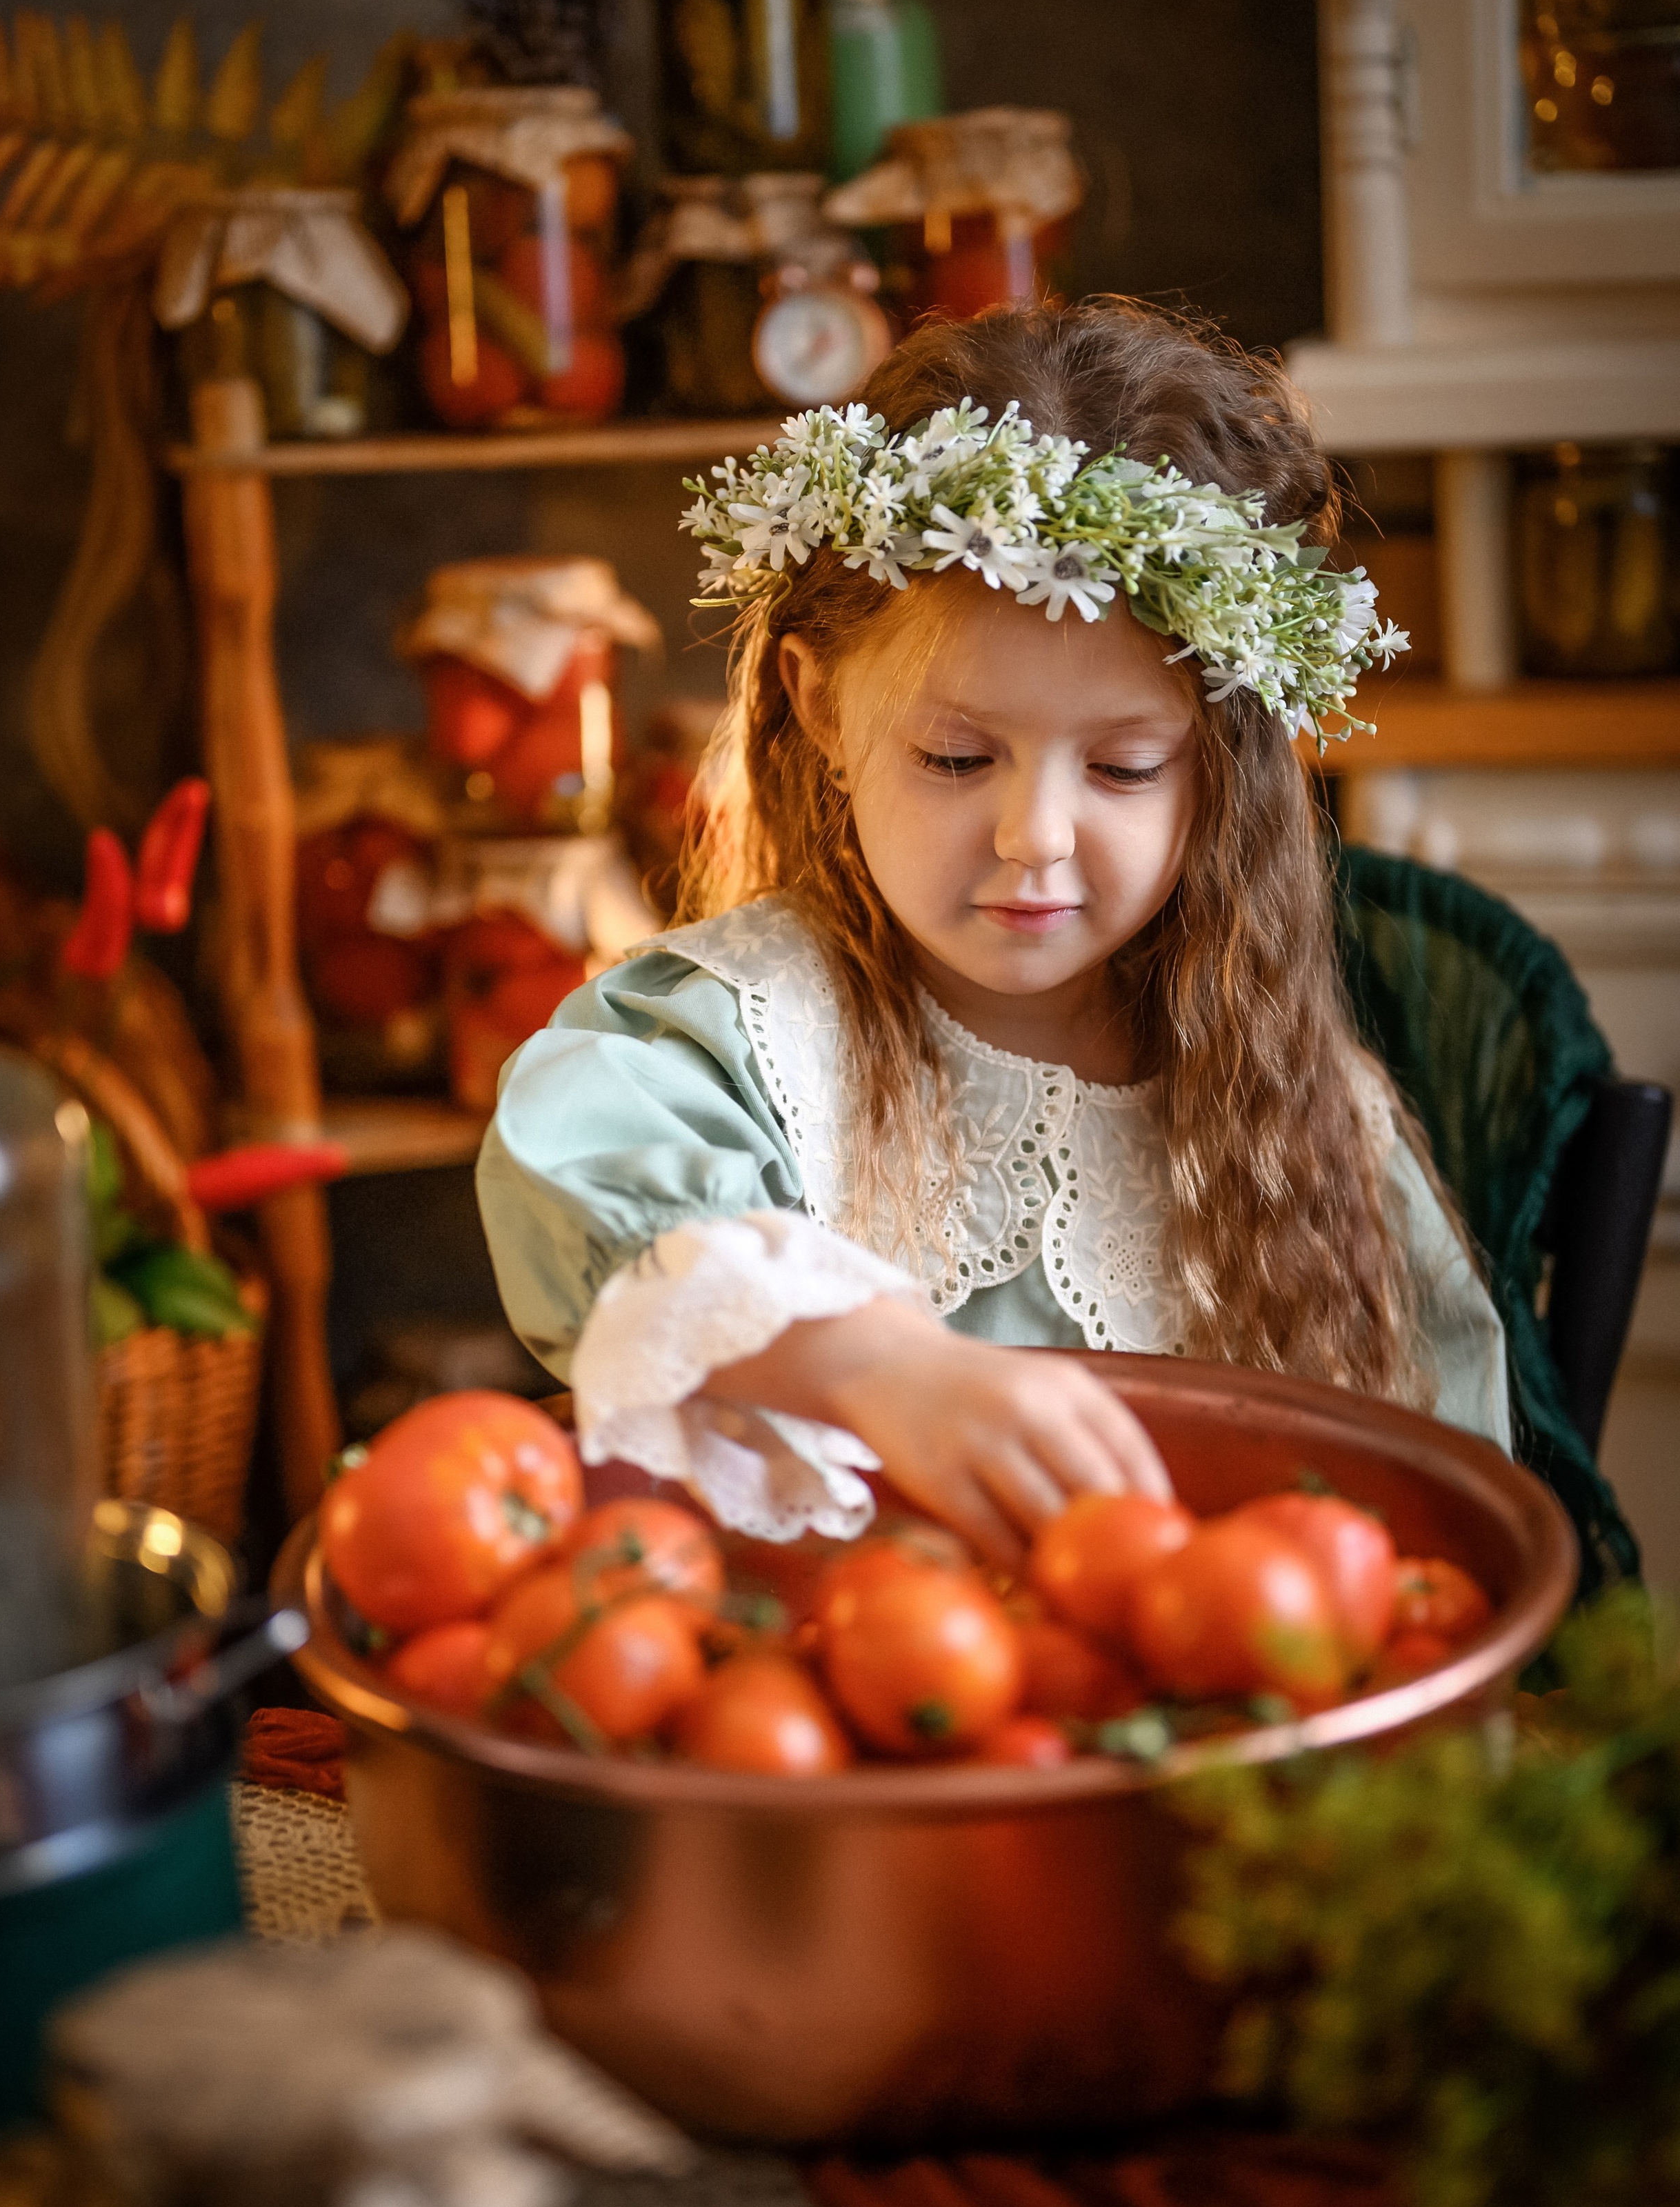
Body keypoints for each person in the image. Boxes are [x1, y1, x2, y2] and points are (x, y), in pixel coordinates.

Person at [477, 301, 1508, 1559]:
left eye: (1126, 768)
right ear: (820, 706)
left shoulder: (1301, 1111)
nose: (1037, 837)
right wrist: (880, 1366)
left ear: (1221, 767)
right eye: (957, 758)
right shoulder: (735, 1045)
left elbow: (1446, 1508)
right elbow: (576, 1180)